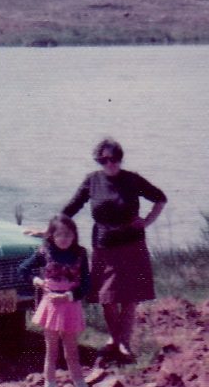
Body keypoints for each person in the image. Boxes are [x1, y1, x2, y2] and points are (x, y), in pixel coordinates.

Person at [61, 138, 166, 363]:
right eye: (105, 159)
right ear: (99, 160)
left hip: (132, 243)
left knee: (130, 297)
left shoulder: (132, 179)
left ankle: (123, 344)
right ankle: (115, 339)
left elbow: (160, 198)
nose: (110, 163)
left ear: (120, 158)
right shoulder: (92, 181)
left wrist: (147, 221)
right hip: (104, 245)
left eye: (114, 159)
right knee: (107, 297)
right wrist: (52, 228)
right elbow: (72, 206)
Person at [17, 214, 110, 387]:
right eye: (59, 235)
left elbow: (86, 284)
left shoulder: (80, 253)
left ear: (74, 235)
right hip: (50, 306)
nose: (64, 239)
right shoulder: (45, 252)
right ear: (52, 236)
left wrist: (68, 296)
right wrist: (37, 281)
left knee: (72, 354)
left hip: (70, 306)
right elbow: (23, 269)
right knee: (52, 352)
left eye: (68, 234)